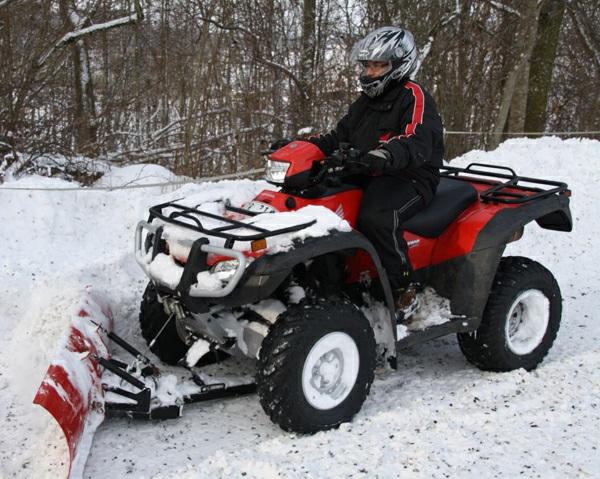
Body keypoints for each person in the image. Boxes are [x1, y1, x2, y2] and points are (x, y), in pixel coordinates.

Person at [308, 26, 444, 315]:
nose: (370, 72)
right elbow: (338, 136)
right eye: (368, 65)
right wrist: (306, 148)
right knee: (322, 202)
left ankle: (403, 290)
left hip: (410, 176)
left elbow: (416, 141)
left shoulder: (414, 97)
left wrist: (385, 154)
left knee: (378, 216)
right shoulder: (366, 102)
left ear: (398, 65)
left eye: (379, 65)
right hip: (367, 170)